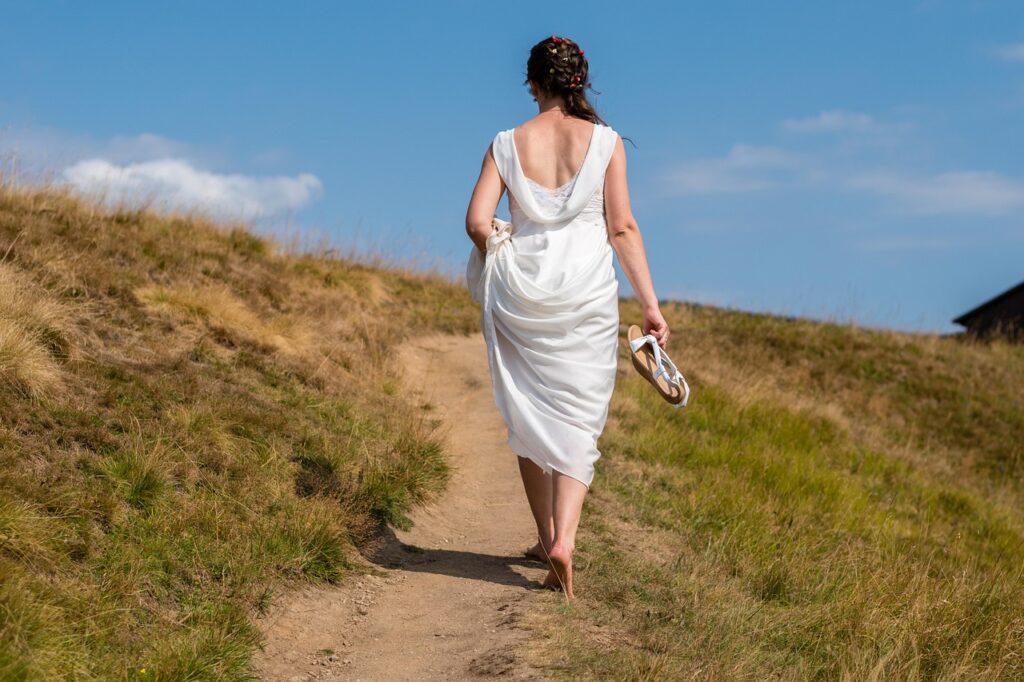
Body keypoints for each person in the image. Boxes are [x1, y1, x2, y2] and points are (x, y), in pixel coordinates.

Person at [464, 35, 668, 599]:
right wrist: (649, 305)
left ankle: (544, 533)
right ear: (580, 80)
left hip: (520, 292)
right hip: (586, 294)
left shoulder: (506, 143)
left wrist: (506, 246)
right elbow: (622, 228)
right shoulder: (605, 143)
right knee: (579, 416)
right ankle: (565, 543)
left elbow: (478, 222)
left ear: (533, 82)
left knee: (528, 411)